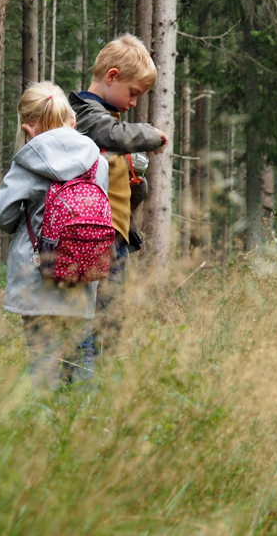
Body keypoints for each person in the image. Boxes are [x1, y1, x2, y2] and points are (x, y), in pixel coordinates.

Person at [0, 82, 110, 391]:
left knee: (43, 363)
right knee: (81, 359)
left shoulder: (29, 161)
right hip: (81, 277)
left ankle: (41, 431)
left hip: (37, 278)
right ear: (71, 120)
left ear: (29, 129)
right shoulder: (98, 162)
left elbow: (2, 214)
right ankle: (84, 426)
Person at [69, 35, 167, 357]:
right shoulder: (84, 114)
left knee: (109, 322)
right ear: (112, 77)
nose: (134, 102)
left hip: (115, 237)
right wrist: (150, 134)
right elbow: (109, 135)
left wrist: (138, 185)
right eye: (133, 93)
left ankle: (101, 389)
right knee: (89, 322)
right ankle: (82, 389)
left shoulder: (109, 119)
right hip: (92, 238)